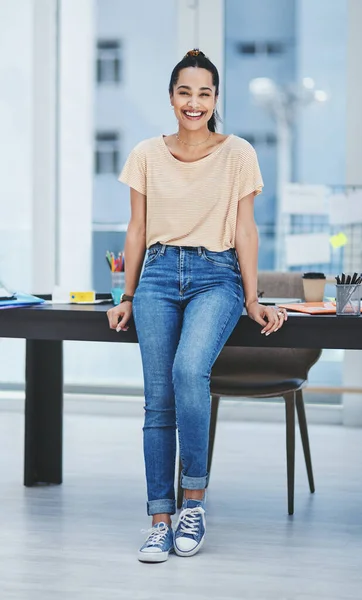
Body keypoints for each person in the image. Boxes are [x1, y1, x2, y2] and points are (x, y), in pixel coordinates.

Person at [107, 49, 288, 563]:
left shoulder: (239, 154)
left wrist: (252, 298)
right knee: (158, 396)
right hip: (159, 274)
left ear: (214, 99)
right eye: (184, 92)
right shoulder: (145, 153)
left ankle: (194, 502)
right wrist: (126, 295)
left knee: (189, 370)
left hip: (218, 275)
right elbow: (137, 230)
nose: (194, 102)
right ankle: (159, 520)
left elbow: (246, 230)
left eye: (204, 93)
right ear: (171, 98)